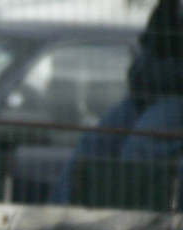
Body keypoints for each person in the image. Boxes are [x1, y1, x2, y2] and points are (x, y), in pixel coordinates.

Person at [52, 0, 183, 202]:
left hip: (172, 96)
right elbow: (151, 45)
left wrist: (154, 76)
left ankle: (127, 222)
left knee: (141, 145)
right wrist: (146, 74)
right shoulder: (169, 7)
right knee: (94, 143)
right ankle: (61, 221)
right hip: (152, 92)